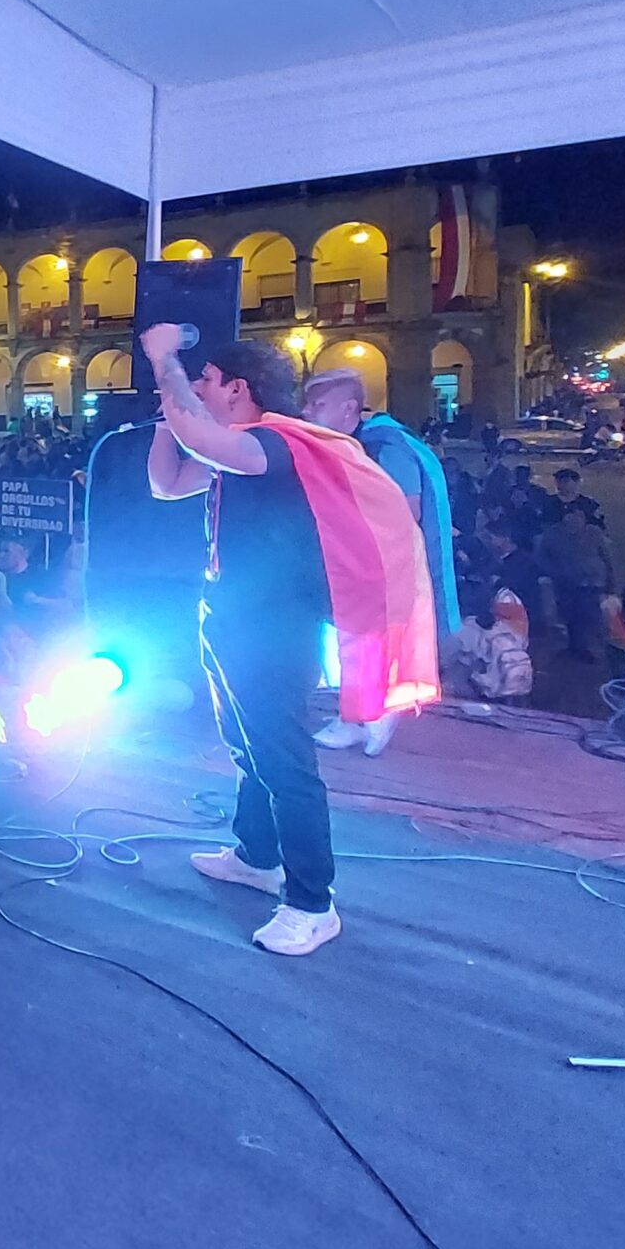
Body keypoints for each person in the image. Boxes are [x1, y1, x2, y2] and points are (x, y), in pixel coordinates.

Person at [141, 322, 432, 957]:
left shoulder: (275, 445)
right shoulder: (237, 446)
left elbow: (198, 436)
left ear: (237, 388)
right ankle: (255, 854)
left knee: (284, 764)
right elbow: (166, 484)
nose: (195, 386)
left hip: (274, 630)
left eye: (206, 379)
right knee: (246, 748)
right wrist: (170, 412)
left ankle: (312, 901)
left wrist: (164, 360)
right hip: (229, 617)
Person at [300, 368, 458, 758]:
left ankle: (373, 714)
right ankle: (356, 716)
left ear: (348, 407)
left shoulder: (384, 446)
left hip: (386, 565)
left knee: (368, 642)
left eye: (317, 405)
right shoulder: (368, 441)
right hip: (365, 562)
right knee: (352, 641)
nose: (306, 412)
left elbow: (407, 508)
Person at [535, 502, 616, 664]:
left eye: (579, 516)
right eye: (571, 516)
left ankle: (590, 650)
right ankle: (574, 647)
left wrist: (610, 583)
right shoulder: (553, 534)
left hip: (592, 583)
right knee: (569, 615)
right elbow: (541, 558)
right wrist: (556, 573)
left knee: (588, 617)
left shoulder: (594, 533)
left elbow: (607, 559)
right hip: (565, 583)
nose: (575, 520)